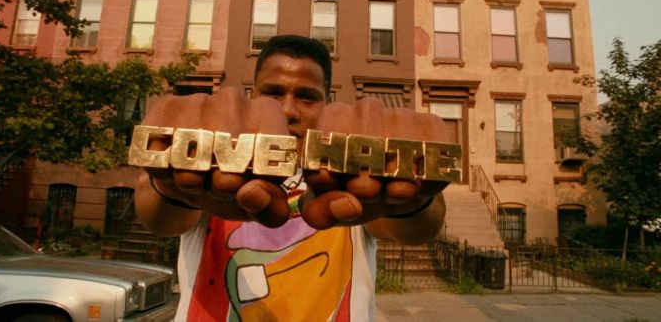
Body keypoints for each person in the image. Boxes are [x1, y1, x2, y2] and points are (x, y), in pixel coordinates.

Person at [135, 35, 454, 321]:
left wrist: (412, 200)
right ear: (251, 96)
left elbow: (418, 227)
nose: (288, 110)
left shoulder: (346, 175)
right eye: (273, 93)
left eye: (306, 96)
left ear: (327, 105)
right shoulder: (216, 162)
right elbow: (159, 218)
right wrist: (169, 184)